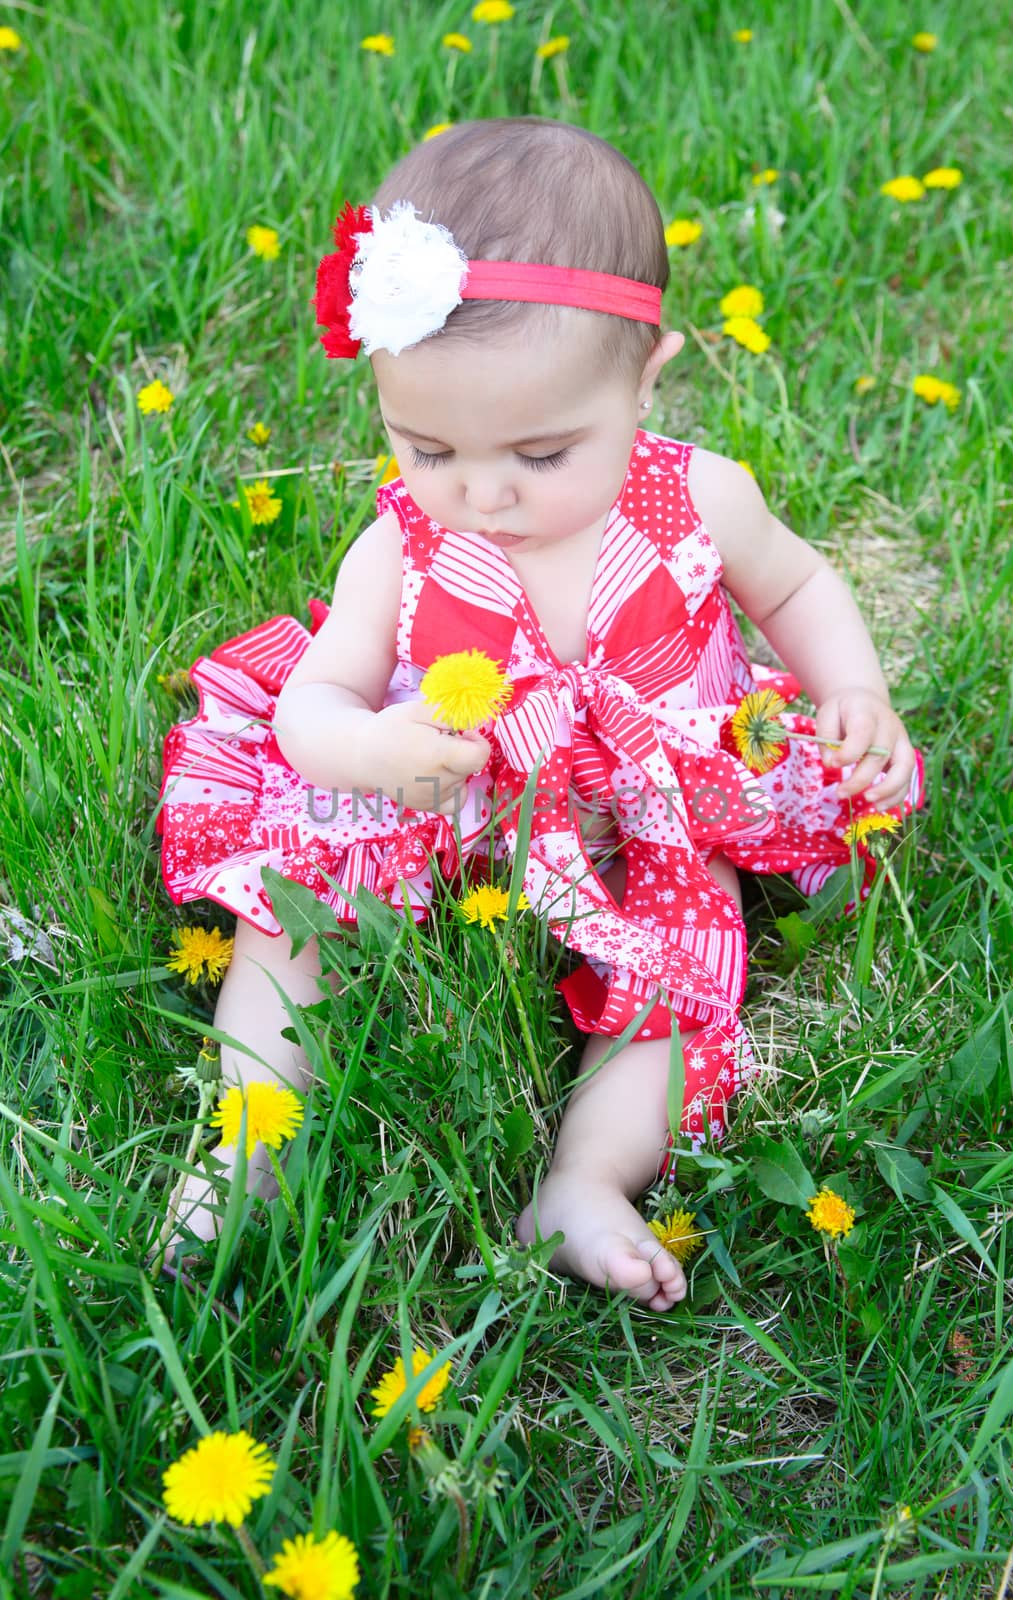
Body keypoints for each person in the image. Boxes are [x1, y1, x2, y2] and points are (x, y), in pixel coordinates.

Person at [157, 118, 921, 1310]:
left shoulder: (700, 499)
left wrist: (852, 690)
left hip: (653, 811)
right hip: (448, 801)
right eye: (427, 446)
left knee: (684, 967)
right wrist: (364, 747)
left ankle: (583, 1180)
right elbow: (316, 698)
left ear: (647, 377)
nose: (481, 490)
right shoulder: (398, 547)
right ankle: (247, 1139)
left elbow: (798, 586)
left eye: (542, 451)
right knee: (290, 919)